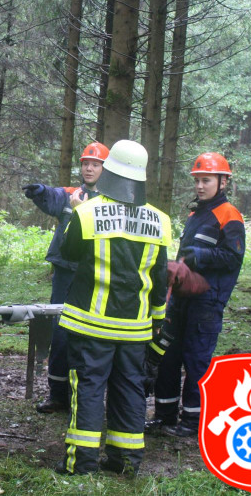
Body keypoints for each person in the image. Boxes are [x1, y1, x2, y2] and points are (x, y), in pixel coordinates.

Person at [56, 139, 170, 476]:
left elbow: (68, 253)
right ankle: (126, 462)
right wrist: (158, 323)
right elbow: (160, 279)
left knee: (89, 387)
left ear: (110, 171)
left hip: (91, 325)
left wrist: (73, 211)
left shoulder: (87, 213)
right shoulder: (160, 221)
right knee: (130, 390)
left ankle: (82, 462)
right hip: (135, 329)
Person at [149, 152, 245, 438]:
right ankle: (164, 416)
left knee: (196, 360)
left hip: (207, 302)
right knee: (168, 355)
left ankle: (193, 421)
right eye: (198, 180)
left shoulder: (230, 215)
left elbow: (232, 257)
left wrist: (199, 256)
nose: (200, 186)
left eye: (207, 180)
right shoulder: (195, 214)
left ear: (223, 182)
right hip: (181, 299)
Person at [21, 141, 109, 414]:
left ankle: (83, 396)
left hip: (93, 274)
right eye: (86, 164)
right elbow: (52, 195)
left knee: (88, 334)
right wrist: (38, 192)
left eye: (95, 164)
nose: (89, 168)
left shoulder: (110, 202)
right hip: (64, 273)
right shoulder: (70, 193)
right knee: (60, 332)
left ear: (105, 169)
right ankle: (58, 395)